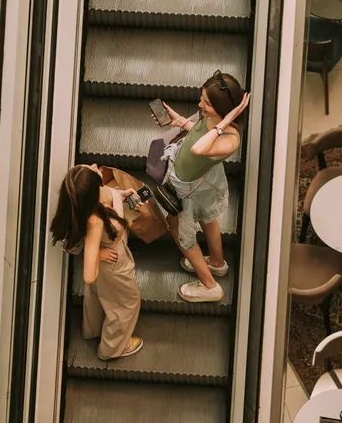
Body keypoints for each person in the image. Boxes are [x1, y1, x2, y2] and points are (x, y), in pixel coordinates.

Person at [154, 71, 250, 303]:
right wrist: (181, 122)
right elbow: (198, 133)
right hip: (205, 185)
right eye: (202, 98)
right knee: (208, 220)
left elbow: (199, 149)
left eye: (207, 103)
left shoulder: (230, 139)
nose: (200, 104)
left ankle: (209, 286)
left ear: (224, 109)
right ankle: (217, 263)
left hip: (191, 191)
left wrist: (226, 121)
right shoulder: (210, 119)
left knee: (181, 234)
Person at [49, 164, 143, 359]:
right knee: (126, 304)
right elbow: (89, 276)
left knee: (100, 295)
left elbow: (106, 196)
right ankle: (112, 348)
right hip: (115, 263)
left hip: (110, 262)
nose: (94, 165)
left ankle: (93, 329)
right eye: (91, 168)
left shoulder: (90, 197)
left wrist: (121, 196)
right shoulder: (95, 222)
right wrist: (96, 255)